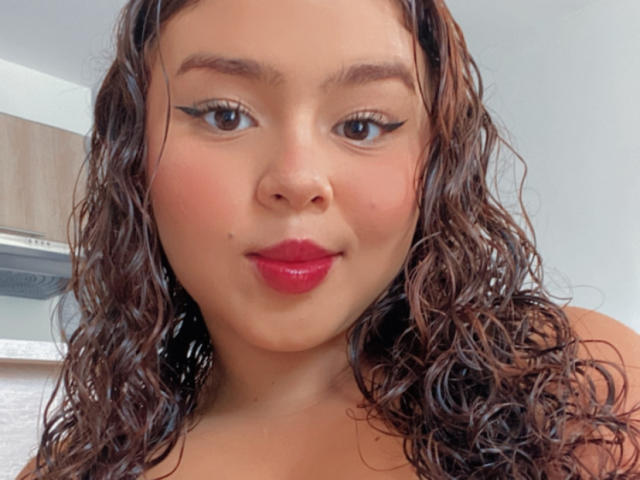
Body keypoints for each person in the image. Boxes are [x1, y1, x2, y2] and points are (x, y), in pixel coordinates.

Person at [17, 0, 640, 478]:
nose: (297, 180)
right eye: (225, 115)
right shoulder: (68, 470)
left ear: (437, 162)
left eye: (363, 125)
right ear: (133, 153)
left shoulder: (576, 391)